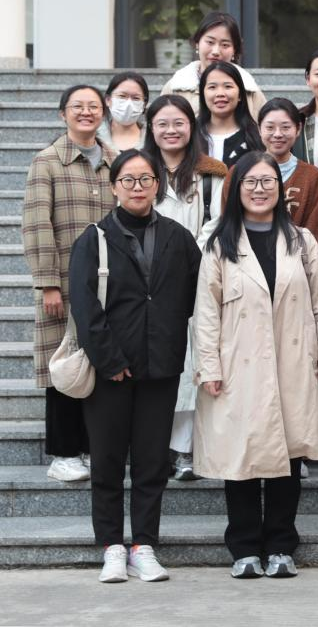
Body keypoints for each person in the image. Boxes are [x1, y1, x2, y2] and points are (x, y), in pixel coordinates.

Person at [192, 153, 318, 579]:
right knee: (240, 457)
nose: (259, 190)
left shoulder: (301, 241)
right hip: (237, 363)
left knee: (288, 457)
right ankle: (243, 548)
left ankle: (280, 546)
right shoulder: (219, 244)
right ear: (236, 189)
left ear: (280, 188)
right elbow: (206, 311)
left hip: (293, 360)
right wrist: (209, 366)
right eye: (250, 182)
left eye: (267, 182)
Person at [68, 150, 201, 583]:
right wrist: (110, 360)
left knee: (151, 462)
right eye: (128, 179)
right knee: (107, 461)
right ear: (114, 187)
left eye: (145, 179)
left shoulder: (179, 238)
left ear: (157, 185)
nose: (137, 187)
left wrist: (170, 338)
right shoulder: (93, 239)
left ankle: (143, 544)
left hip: (161, 367)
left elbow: (195, 295)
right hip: (110, 371)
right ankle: (111, 545)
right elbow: (84, 307)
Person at [22, 84, 117, 483]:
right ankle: (63, 453)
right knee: (63, 366)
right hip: (62, 282)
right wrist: (47, 283)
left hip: (110, 283)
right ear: (63, 114)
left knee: (102, 363)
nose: (86, 112)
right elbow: (36, 224)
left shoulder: (115, 161)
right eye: (77, 106)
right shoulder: (47, 162)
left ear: (103, 113)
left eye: (93, 106)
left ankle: (95, 448)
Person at [143, 94, 229, 480]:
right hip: (147, 281)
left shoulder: (212, 174)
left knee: (195, 361)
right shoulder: (141, 171)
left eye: (178, 123)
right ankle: (154, 446)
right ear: (151, 129)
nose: (171, 130)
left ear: (192, 128)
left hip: (199, 276)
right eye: (162, 123)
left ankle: (186, 449)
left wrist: (182, 255)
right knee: (158, 361)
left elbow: (219, 223)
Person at [160, 12, 267, 117]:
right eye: (210, 42)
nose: (216, 51)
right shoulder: (175, 86)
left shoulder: (250, 89)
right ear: (197, 43)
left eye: (225, 45)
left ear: (234, 50)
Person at [259, 98, 318, 249]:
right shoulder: (240, 172)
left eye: (285, 127)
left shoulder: (312, 177)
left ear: (298, 129)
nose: (278, 134)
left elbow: (316, 231)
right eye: (270, 127)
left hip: (298, 259)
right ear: (259, 129)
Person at [197, 60, 264, 169]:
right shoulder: (190, 134)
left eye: (228, 86)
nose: (220, 94)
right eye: (212, 87)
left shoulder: (257, 137)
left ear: (240, 95)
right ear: (203, 95)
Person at [98, 71, 149, 152]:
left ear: (144, 104)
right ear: (108, 100)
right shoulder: (95, 136)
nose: (128, 104)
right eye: (122, 96)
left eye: (136, 98)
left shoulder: (152, 138)